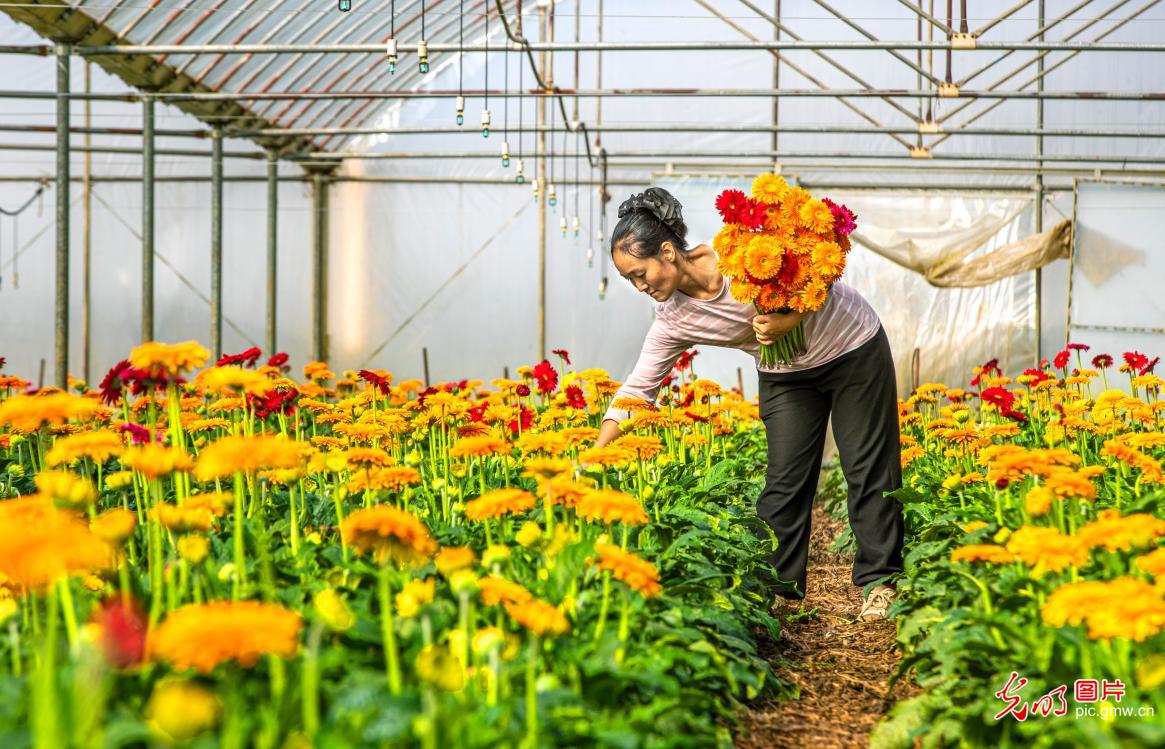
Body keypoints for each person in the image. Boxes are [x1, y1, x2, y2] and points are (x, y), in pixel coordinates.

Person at [593, 186, 904, 621]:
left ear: (667, 252)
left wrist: (792, 318)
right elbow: (638, 388)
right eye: (631, 280)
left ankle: (880, 583)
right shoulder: (673, 318)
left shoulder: (740, 255)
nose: (639, 286)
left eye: (639, 273)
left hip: (851, 347)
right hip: (785, 374)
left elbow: (820, 270)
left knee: (866, 467)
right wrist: (595, 453)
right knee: (784, 480)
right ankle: (774, 589)